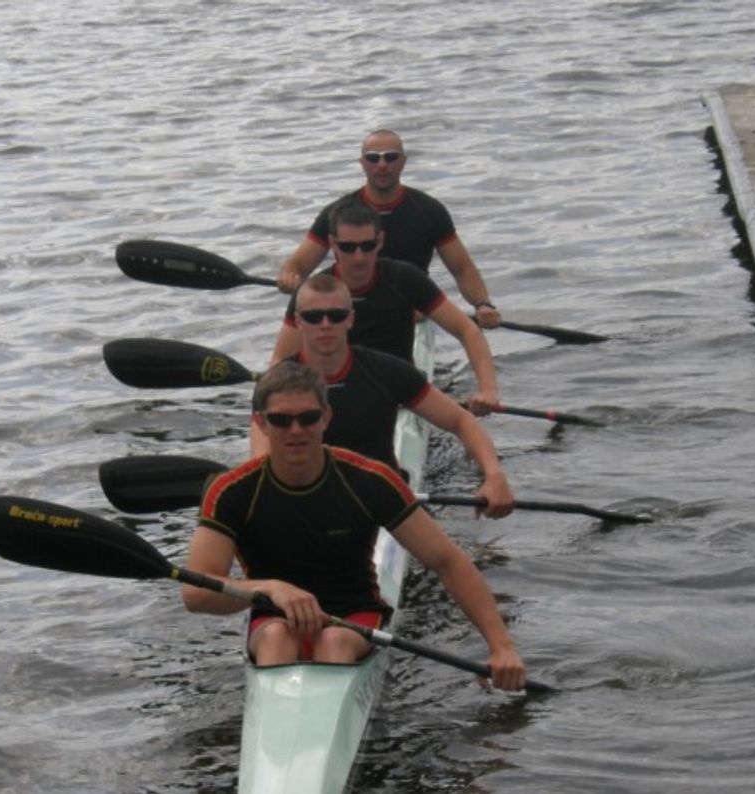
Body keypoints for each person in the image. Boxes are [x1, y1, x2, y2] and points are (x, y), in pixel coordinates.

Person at [180, 361, 527, 691]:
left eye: (308, 417)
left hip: (353, 616)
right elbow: (196, 595)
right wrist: (270, 589)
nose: (296, 430)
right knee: (276, 640)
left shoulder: (369, 479)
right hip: (273, 621)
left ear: (326, 418)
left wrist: (501, 648)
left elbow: (447, 562)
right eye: (282, 420)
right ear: (261, 423)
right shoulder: (231, 491)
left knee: (332, 640)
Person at [253, 273, 513, 518]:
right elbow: (259, 463)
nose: (325, 325)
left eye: (336, 315)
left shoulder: (384, 371)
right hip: (311, 506)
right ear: (298, 322)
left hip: (382, 502)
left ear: (350, 319)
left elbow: (461, 421)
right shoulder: (275, 387)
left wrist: (493, 475)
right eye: (313, 317)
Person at [270, 198, 500, 412]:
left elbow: (467, 330)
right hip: (335, 396)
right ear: (332, 244)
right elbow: (280, 361)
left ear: (380, 241)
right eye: (348, 248)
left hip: (397, 390)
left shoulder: (404, 279)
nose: (358, 257)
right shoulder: (314, 293)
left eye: (367, 246)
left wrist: (487, 390)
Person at [277, 129, 501, 329]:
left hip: (412, 314)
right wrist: (289, 277)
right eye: (373, 158)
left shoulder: (429, 210)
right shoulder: (337, 213)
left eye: (390, 157)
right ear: (362, 163)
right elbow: (298, 265)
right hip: (352, 313)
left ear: (403, 161)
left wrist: (482, 304)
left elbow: (462, 268)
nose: (382, 165)